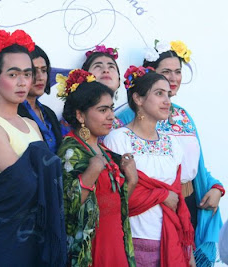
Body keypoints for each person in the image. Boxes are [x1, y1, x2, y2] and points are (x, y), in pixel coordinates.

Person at [117, 40, 225, 266]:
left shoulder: (184, 115)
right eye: (166, 72)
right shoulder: (128, 118)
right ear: (150, 75)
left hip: (188, 202)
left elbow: (197, 165)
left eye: (178, 71)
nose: (174, 78)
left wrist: (215, 187)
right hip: (150, 211)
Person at [0, 29, 66, 266]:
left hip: (38, 236)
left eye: (27, 74)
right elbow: (26, 184)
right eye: (13, 74)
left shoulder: (31, 124)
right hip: (4, 240)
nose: (23, 82)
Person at [104, 66, 195, 267]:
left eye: (168, 95)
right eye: (159, 93)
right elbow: (114, 198)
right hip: (131, 240)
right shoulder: (118, 140)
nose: (167, 101)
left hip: (170, 240)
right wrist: (162, 195)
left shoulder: (173, 144)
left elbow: (178, 200)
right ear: (138, 99)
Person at [57, 69, 137, 267]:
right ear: (80, 115)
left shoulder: (105, 152)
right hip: (91, 247)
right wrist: (91, 173)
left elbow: (114, 202)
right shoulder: (70, 150)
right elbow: (65, 209)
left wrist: (132, 180)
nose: (110, 116)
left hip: (116, 242)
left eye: (111, 108)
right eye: (102, 110)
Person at [60, 45, 123, 135]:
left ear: (119, 82)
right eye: (98, 66)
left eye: (111, 67)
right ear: (84, 76)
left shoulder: (119, 125)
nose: (106, 70)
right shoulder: (71, 121)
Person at [17, 45, 62, 153]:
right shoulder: (12, 112)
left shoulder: (48, 112)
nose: (40, 77)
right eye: (32, 71)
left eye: (44, 70)